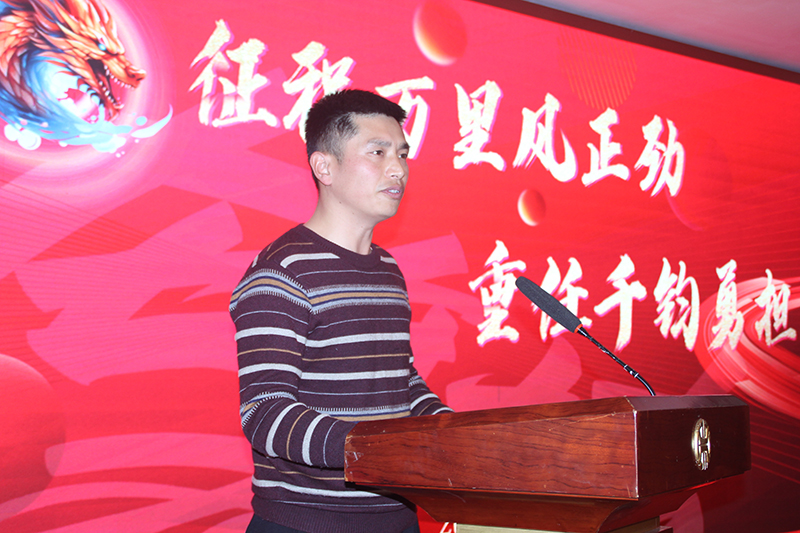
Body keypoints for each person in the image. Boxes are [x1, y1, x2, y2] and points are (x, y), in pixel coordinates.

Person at [229, 89, 452, 533]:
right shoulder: (282, 273)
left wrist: (451, 432)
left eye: (402, 154)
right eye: (378, 152)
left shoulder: (387, 268)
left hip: (397, 516)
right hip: (308, 523)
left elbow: (399, 381)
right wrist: (380, 449)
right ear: (324, 167)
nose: (398, 168)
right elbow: (265, 412)